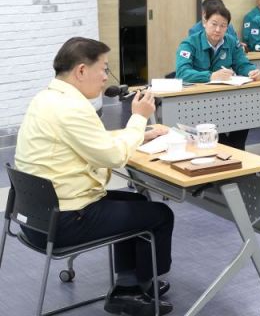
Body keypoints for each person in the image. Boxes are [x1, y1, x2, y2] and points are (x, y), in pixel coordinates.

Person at [16, 37, 175, 316]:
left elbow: (92, 141)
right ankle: (137, 288)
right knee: (160, 214)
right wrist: (139, 118)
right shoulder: (72, 108)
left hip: (37, 217)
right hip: (64, 221)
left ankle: (128, 286)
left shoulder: (46, 98)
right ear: (81, 70)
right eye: (103, 69)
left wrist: (139, 135)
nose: (105, 77)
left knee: (136, 203)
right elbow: (113, 156)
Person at [176, 4, 260, 149]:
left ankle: (236, 152)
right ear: (205, 22)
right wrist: (210, 76)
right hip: (197, 102)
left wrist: (252, 71)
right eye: (214, 24)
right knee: (219, 138)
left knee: (244, 116)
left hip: (226, 100)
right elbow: (182, 73)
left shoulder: (231, 42)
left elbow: (242, 63)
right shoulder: (189, 43)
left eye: (223, 26)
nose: (218, 29)